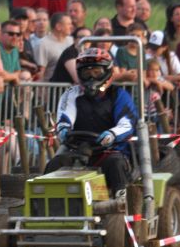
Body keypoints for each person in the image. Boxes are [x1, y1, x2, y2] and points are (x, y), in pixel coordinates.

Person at [49, 47, 137, 199]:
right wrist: (63, 129)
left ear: (107, 72)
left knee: (115, 164)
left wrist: (112, 134)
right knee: (55, 163)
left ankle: (122, 206)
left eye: (96, 72)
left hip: (110, 150)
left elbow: (127, 123)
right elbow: (65, 117)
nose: (91, 78)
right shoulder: (72, 93)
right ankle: (44, 204)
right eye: (87, 73)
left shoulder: (119, 95)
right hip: (77, 150)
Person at [34, 12, 74, 81]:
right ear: (58, 26)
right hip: (52, 89)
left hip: (70, 89)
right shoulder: (43, 44)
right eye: (68, 24)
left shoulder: (72, 41)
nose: (71, 27)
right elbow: (40, 74)